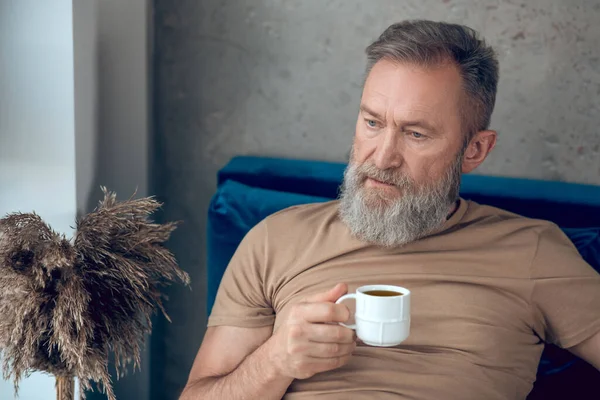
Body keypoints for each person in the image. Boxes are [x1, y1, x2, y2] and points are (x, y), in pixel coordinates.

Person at [180, 20, 600, 400]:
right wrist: (274, 361)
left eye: (415, 134)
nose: (382, 158)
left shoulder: (531, 250)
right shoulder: (275, 239)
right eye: (372, 123)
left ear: (474, 149)